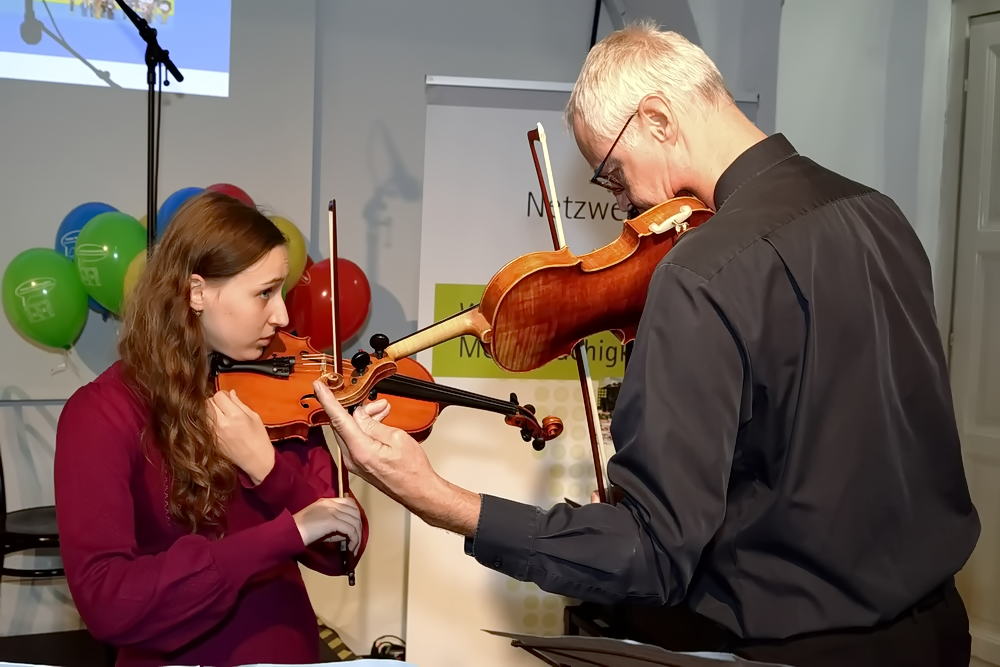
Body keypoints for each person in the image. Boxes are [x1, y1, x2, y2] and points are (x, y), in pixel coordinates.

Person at [313, 20, 979, 667]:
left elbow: (652, 554)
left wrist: (439, 499)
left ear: (657, 119)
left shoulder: (701, 272)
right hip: (940, 632)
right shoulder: (877, 213)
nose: (625, 202)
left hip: (801, 650)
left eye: (612, 174)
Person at [55, 191, 366, 667]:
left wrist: (270, 471)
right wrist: (283, 534)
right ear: (197, 292)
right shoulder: (102, 413)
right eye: (264, 293)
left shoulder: (277, 392)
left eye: (281, 292)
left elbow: (341, 550)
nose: (282, 315)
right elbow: (108, 602)